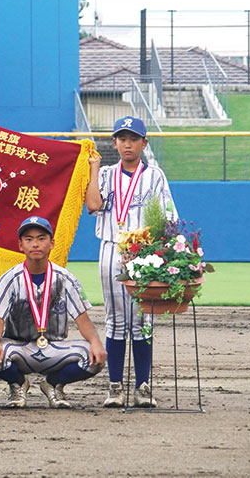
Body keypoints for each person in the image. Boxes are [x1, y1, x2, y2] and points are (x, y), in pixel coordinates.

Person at [85, 115, 177, 408]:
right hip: (112, 248)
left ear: (143, 143)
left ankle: (143, 387)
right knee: (115, 320)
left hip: (145, 254)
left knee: (143, 321)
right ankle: (114, 387)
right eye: (122, 139)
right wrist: (94, 168)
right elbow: (93, 205)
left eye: (133, 139)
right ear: (114, 143)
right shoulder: (106, 173)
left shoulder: (155, 175)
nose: (127, 144)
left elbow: (169, 217)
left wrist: (164, 252)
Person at [0, 217, 107, 408]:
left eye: (41, 238)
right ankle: (18, 383)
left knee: (93, 358)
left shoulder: (65, 278)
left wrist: (96, 343)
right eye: (29, 239)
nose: (35, 244)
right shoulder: (9, 278)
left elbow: (83, 321)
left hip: (54, 348)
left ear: (52, 244)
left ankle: (53, 383)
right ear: (20, 245)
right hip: (19, 347)